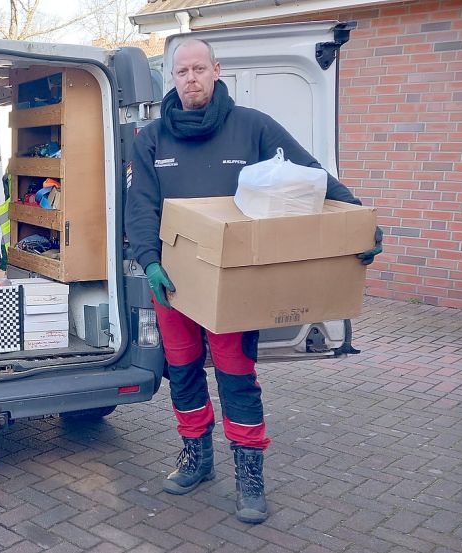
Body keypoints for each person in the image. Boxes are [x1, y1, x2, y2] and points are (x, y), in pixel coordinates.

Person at [124, 38, 382, 524]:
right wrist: (148, 260)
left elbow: (311, 175)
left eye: (200, 68)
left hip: (233, 287)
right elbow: (140, 208)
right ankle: (196, 458)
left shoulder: (253, 127)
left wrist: (357, 219)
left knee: (236, 378)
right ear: (171, 78)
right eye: (182, 72)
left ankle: (249, 472)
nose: (192, 78)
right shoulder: (152, 138)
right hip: (172, 284)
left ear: (216, 71)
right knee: (181, 372)